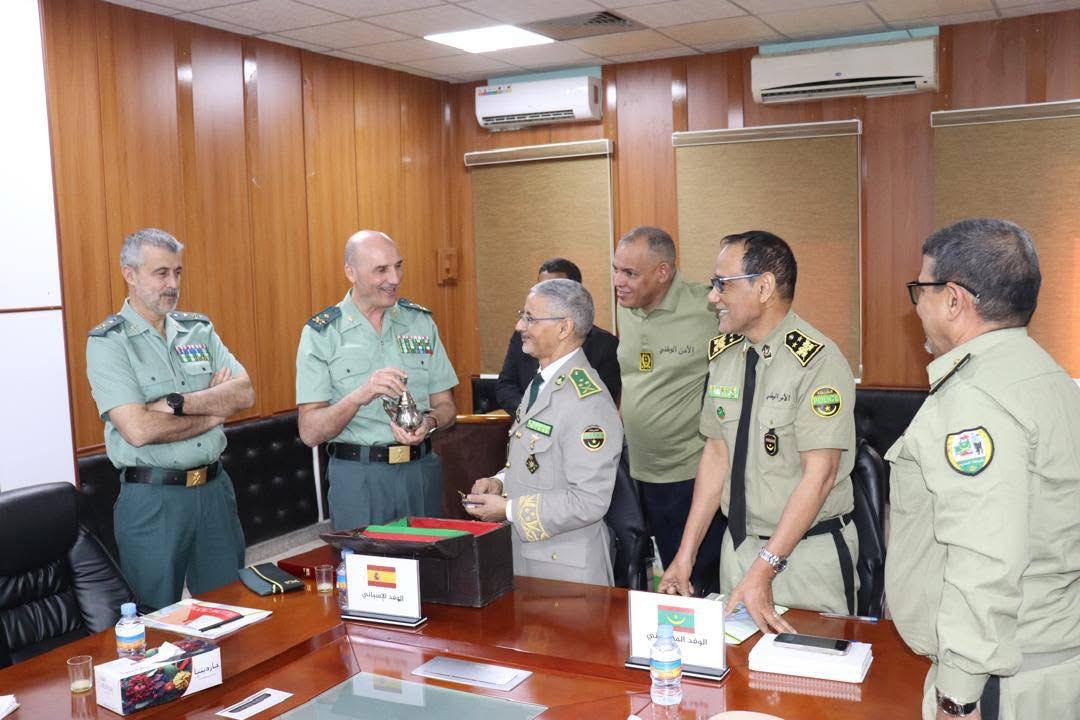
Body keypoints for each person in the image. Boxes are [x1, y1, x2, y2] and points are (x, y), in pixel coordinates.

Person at [885, 218, 1080, 720]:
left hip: (997, 682)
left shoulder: (975, 399)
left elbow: (985, 558)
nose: (917, 306)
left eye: (921, 290)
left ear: (953, 299)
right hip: (1048, 664)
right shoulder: (1049, 377)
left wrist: (957, 695)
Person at [658, 230, 858, 631]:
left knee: (808, 667)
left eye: (722, 284)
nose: (712, 296)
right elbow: (717, 455)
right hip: (739, 550)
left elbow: (820, 477)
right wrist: (685, 554)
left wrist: (765, 568)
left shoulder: (819, 362)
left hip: (805, 558)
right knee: (738, 668)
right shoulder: (725, 354)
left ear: (764, 287)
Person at [85, 228, 253, 610]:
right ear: (130, 274)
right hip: (153, 500)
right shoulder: (109, 343)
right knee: (154, 618)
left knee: (229, 610)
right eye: (161, 273)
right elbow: (139, 429)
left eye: (177, 272)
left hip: (214, 491)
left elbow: (244, 393)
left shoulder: (199, 330)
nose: (173, 284)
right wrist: (214, 412)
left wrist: (176, 403)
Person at [295, 230, 458, 530]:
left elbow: (446, 406)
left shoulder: (420, 322)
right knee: (367, 561)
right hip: (360, 478)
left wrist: (429, 422)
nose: (394, 278)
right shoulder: (322, 334)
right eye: (381, 270)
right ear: (351, 273)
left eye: (398, 266)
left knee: (427, 559)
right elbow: (310, 432)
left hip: (420, 473)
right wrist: (360, 396)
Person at [465, 279, 622, 585]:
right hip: (533, 559)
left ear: (564, 328)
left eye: (530, 318)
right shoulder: (543, 383)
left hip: (566, 572)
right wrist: (500, 483)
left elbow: (589, 501)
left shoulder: (587, 402)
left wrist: (508, 510)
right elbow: (537, 461)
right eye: (522, 316)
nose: (519, 326)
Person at [614, 226, 725, 594]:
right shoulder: (628, 308)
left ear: (663, 272)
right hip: (636, 470)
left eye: (630, 273)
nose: (618, 282)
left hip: (687, 474)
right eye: (616, 270)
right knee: (648, 578)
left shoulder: (707, 308)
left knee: (696, 583)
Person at [496, 258, 620, 412]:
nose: (520, 326)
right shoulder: (524, 336)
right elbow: (505, 385)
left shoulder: (605, 346)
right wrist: (529, 412)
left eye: (552, 290)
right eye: (540, 287)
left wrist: (543, 416)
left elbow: (598, 403)